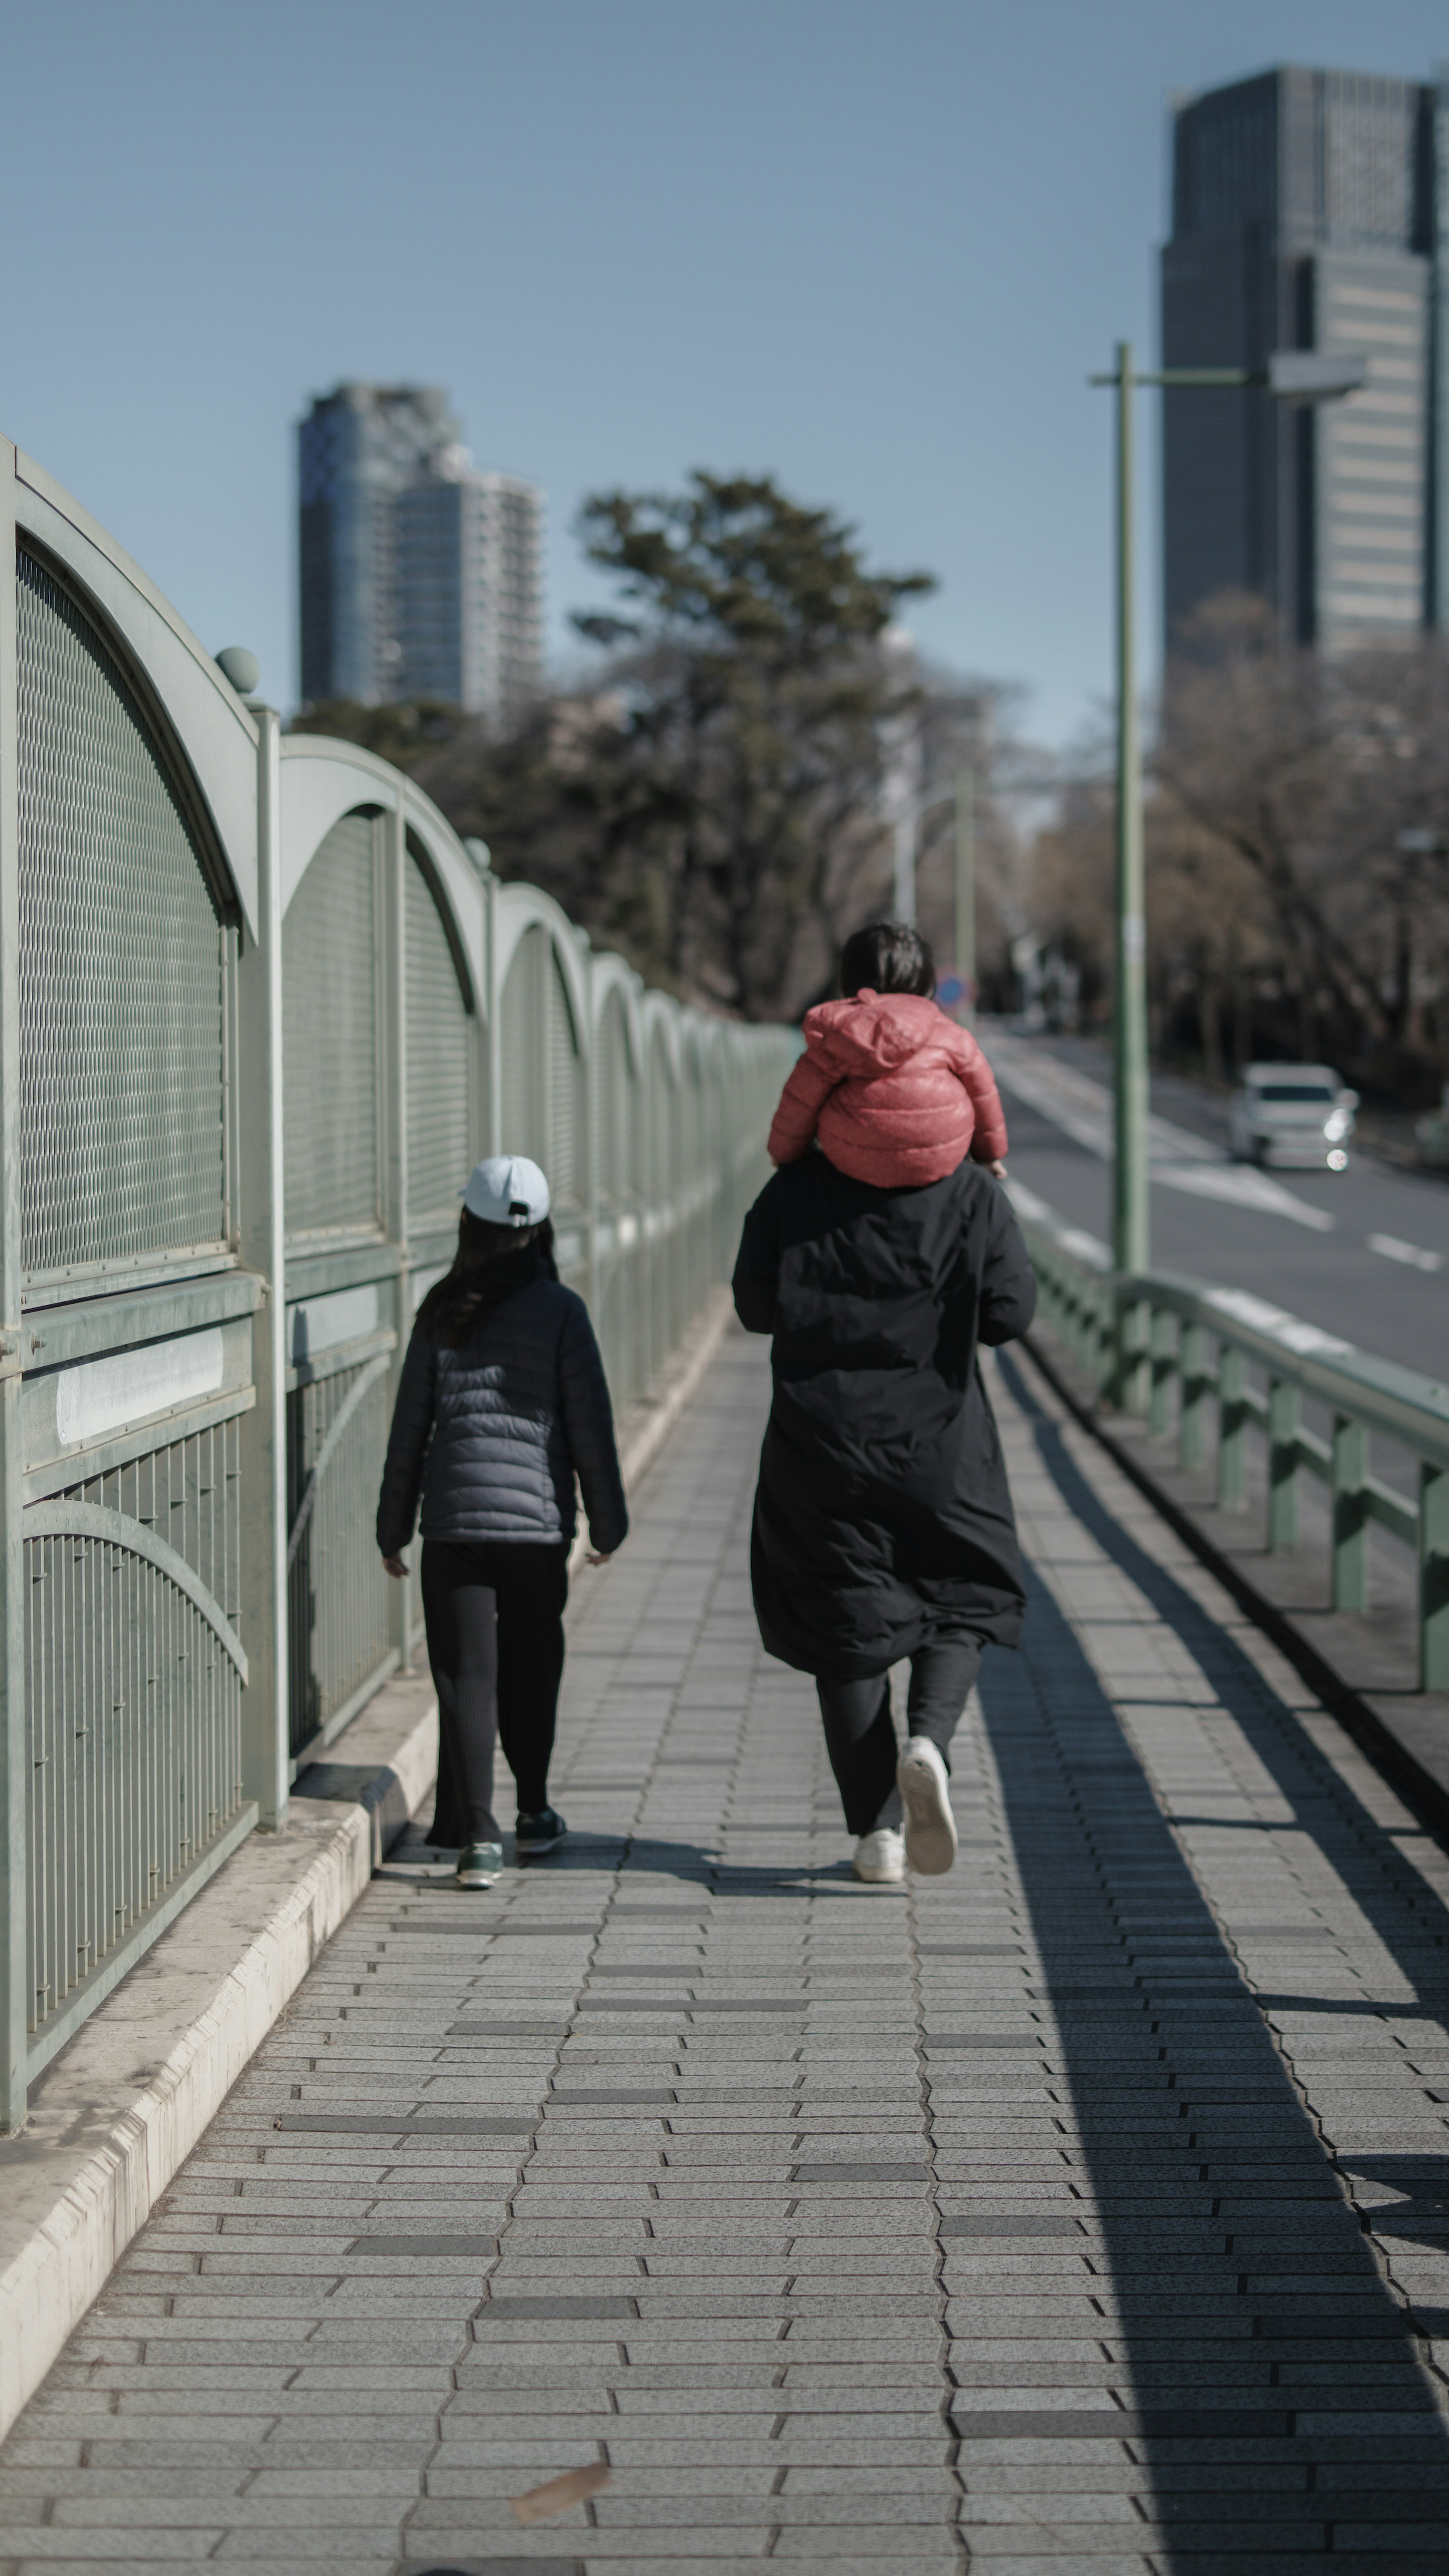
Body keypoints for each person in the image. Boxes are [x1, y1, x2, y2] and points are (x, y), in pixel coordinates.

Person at [732, 920, 1035, 1887]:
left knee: (844, 1626)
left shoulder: (795, 1187)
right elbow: (1008, 1316)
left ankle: (877, 1837)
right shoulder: (970, 1192)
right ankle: (932, 1744)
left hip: (820, 1446)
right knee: (961, 1593)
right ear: (930, 1007)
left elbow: (752, 1307)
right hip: (942, 1437)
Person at [376, 1153, 627, 1890]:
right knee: (532, 1665)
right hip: (536, 1527)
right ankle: (536, 1810)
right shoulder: (563, 1311)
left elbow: (409, 1429)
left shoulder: (441, 1308)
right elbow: (591, 1424)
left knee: (465, 1675)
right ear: (542, 1228)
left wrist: (393, 1527)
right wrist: (606, 1524)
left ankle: (477, 1837)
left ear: (467, 1224)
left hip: (455, 1525)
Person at [767, 919, 1009, 1187]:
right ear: (927, 982)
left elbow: (799, 1102)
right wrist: (989, 1155)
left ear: (849, 978)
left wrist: (784, 1154)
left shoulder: (835, 1038)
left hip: (851, 1163)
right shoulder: (952, 1036)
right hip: (937, 1161)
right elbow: (983, 1094)